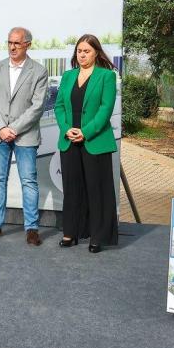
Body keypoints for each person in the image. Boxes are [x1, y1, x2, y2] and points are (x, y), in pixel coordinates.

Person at [0, 27, 49, 246]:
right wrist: (0, 128)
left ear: (27, 44)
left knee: (29, 182)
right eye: (9, 42)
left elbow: (37, 107)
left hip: (25, 135)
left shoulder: (38, 71)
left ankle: (32, 229)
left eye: (17, 43)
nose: (12, 47)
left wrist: (14, 129)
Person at [54, 34, 118, 253]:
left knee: (96, 190)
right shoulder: (68, 76)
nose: (82, 55)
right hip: (69, 140)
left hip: (95, 141)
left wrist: (85, 132)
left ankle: (97, 237)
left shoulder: (106, 76)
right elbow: (59, 106)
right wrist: (66, 129)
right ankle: (70, 233)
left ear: (96, 53)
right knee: (71, 189)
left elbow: (105, 110)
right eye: (79, 51)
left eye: (87, 51)